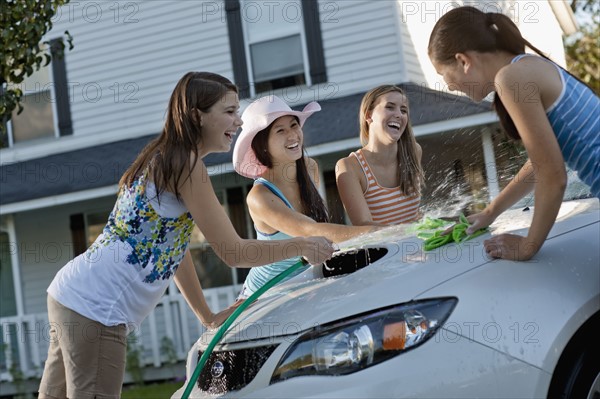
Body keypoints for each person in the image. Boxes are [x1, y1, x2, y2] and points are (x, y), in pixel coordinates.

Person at [38, 73, 334, 399]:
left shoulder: (165, 157)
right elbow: (234, 252)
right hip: (96, 308)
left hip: (72, 295)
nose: (237, 122)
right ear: (197, 115)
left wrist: (205, 315)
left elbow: (173, 251)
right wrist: (304, 244)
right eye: (229, 111)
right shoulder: (185, 166)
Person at [428, 6, 599, 261]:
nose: (449, 86)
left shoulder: (512, 78)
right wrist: (490, 211)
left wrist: (528, 245)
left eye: (443, 74)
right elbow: (541, 163)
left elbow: (553, 176)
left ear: (463, 61)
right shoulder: (526, 67)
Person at [232, 95, 379, 299]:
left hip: (306, 282)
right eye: (280, 130)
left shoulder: (310, 169)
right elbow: (311, 230)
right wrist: (381, 233)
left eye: (294, 125)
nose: (293, 135)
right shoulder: (260, 197)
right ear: (262, 144)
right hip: (265, 294)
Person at [335, 85, 424, 226]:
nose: (399, 114)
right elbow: (364, 228)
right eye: (390, 107)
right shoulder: (349, 167)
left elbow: (414, 215)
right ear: (368, 115)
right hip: (385, 248)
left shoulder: (413, 152)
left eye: (403, 110)